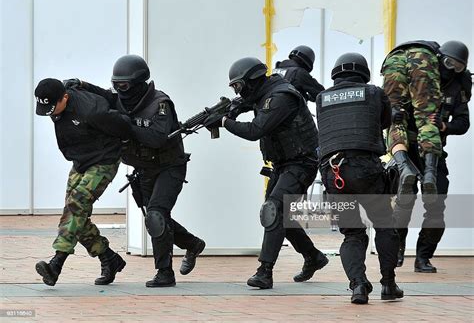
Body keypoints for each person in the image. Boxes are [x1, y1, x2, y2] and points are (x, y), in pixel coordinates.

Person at [76, 55, 206, 287]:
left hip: (169, 166)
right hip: (144, 169)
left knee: (157, 215)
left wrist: (125, 124)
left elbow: (156, 137)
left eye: (123, 85)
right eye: (116, 84)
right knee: (155, 219)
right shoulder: (120, 100)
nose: (119, 90)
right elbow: (104, 96)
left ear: (138, 82)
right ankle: (192, 243)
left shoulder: (160, 103)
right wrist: (82, 85)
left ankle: (165, 272)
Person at [208, 57, 328, 289]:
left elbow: (256, 130)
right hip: (283, 164)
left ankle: (265, 271)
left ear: (251, 81)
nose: (238, 92)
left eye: (239, 86)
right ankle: (313, 256)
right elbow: (243, 104)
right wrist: (229, 110)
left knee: (273, 210)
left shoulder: (280, 97)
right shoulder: (262, 93)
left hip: (301, 163)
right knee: (282, 217)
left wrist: (224, 121)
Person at [316, 53, 403, 304]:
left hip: (334, 173)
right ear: (363, 73)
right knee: (384, 225)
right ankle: (388, 285)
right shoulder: (374, 92)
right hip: (366, 169)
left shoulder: (322, 98)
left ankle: (358, 287)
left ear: (336, 73)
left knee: (352, 234)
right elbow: (385, 121)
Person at [34, 78, 126, 286]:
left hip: (104, 159)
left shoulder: (92, 110)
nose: (51, 113)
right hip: (81, 160)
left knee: (77, 205)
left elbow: (123, 125)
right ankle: (109, 258)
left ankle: (56, 263)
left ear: (64, 97)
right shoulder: (57, 101)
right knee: (74, 211)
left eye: (53, 108)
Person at [394, 41, 471, 272]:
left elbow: (464, 123)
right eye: (448, 63)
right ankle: (396, 251)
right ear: (438, 59)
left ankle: (423, 258)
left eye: (457, 66)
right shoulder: (417, 76)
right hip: (408, 149)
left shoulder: (458, 87)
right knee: (403, 203)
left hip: (434, 153)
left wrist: (445, 127)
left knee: (436, 205)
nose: (451, 69)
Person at [382, 40, 444, 205]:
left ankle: (404, 168)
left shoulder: (400, 51)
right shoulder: (431, 51)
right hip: (424, 57)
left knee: (395, 120)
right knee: (427, 118)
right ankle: (430, 174)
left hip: (393, 59)